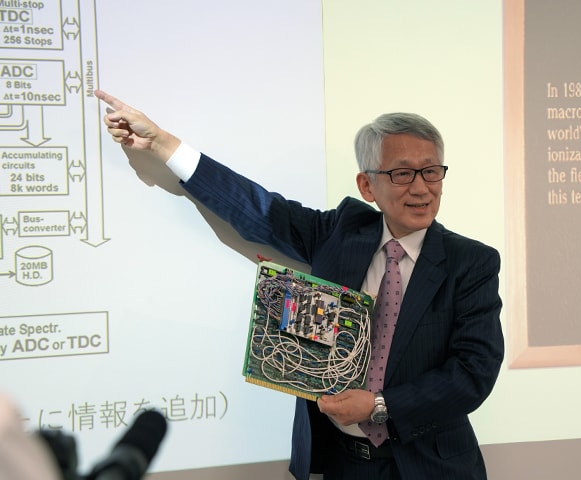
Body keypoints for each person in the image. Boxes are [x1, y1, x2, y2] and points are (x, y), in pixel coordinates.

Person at [94, 89, 504, 480]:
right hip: (346, 466)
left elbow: (473, 373)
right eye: (401, 173)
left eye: (431, 171)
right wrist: (165, 144)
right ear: (367, 186)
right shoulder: (342, 230)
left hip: (433, 468)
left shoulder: (471, 262)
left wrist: (380, 405)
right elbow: (256, 208)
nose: (421, 187)